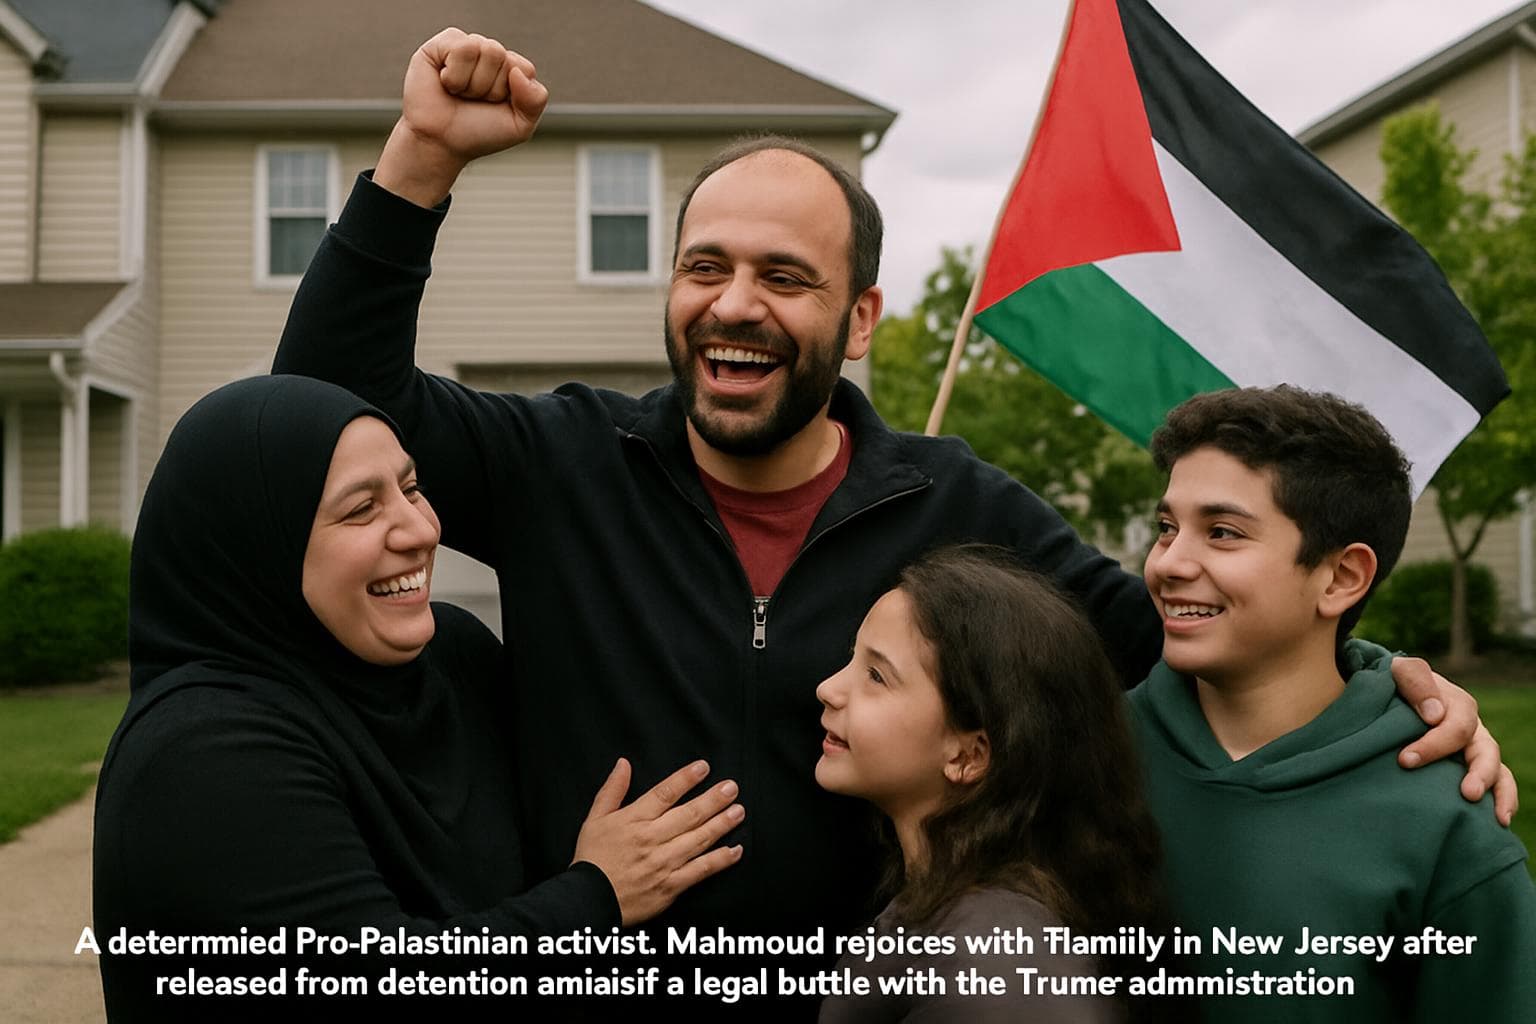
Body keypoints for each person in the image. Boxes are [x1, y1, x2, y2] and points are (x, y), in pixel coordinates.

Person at [270, 26, 1510, 999]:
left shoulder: (962, 509)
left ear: (859, 320)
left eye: (785, 278)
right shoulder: (562, 459)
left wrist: (1376, 683)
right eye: (707, 267)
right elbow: (323, 403)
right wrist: (419, 160)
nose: (735, 303)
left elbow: (1178, 640)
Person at [93, 375, 744, 1021]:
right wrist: (597, 897)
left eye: (410, 488)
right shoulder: (202, 754)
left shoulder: (451, 659)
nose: (421, 528)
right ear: (258, 548)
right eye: (360, 509)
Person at [1126, 385, 1536, 1022]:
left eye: (1223, 532)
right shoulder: (1079, 755)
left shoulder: (1446, 826)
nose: (1169, 562)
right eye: (1167, 528)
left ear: (1342, 577)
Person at [815, 545, 1170, 1023]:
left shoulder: (999, 967)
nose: (829, 688)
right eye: (852, 660)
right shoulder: (958, 909)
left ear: (969, 754)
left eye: (876, 676)